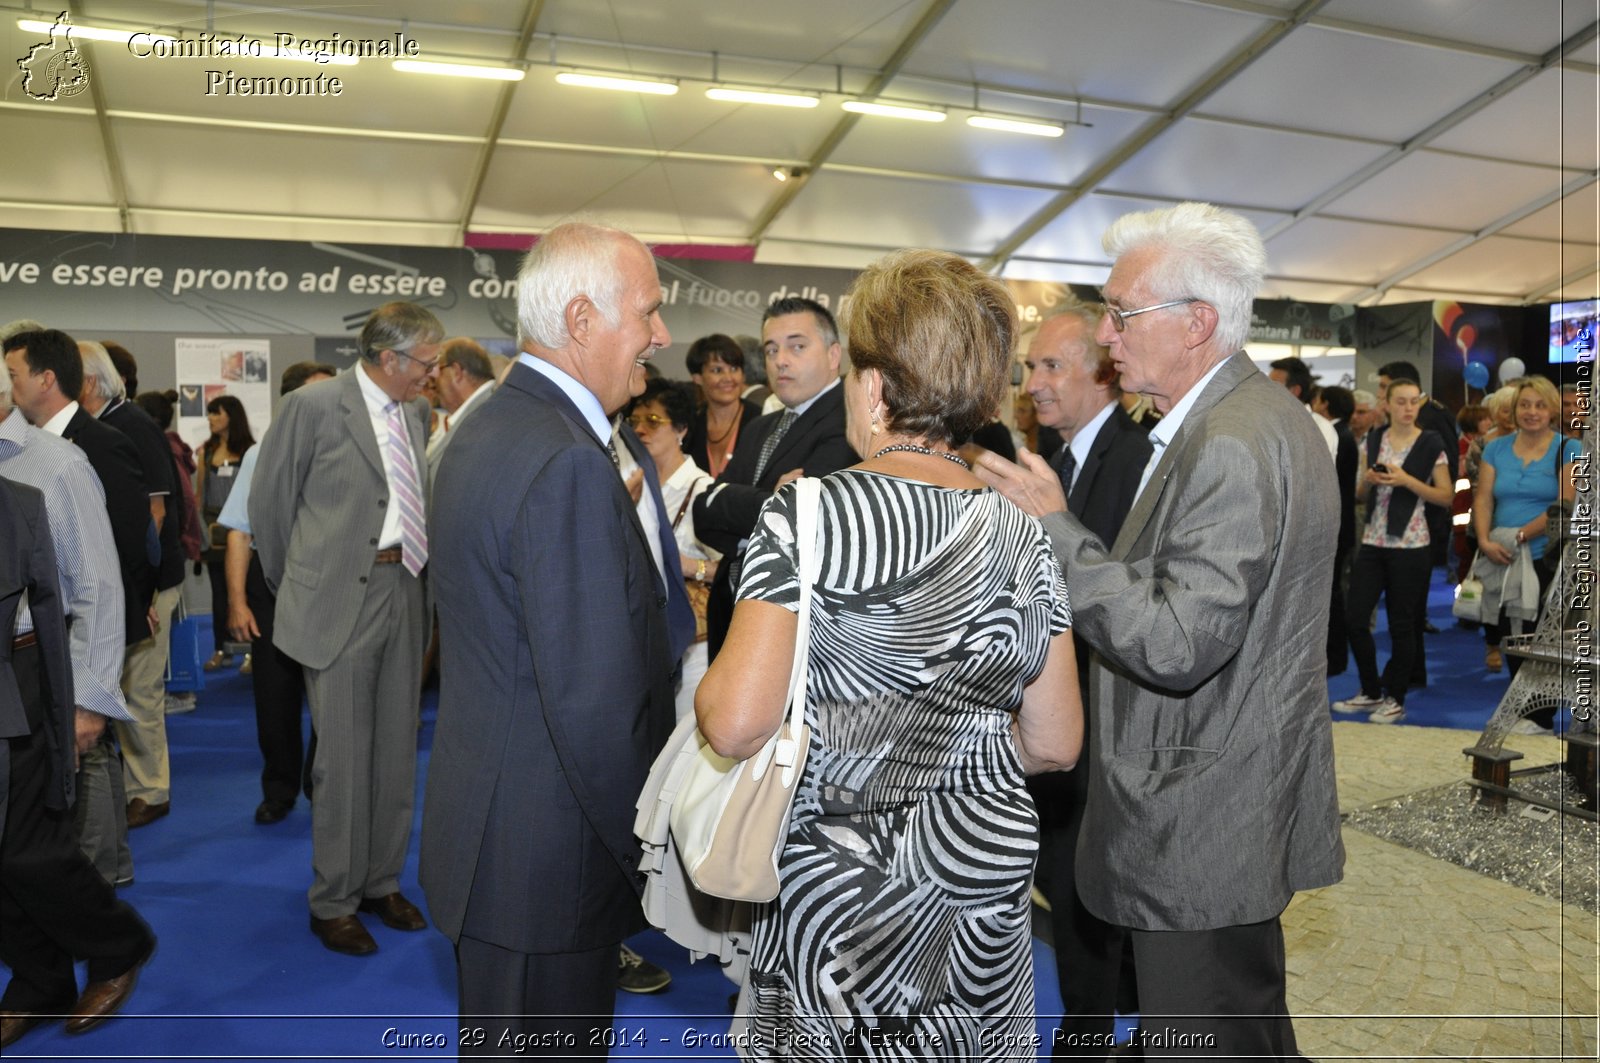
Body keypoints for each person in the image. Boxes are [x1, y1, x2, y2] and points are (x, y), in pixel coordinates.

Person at [976, 202, 1344, 1058]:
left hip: (1200, 812)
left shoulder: (1229, 440)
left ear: (1197, 322)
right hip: (1224, 793)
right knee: (1240, 1028)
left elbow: (1177, 642)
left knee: (1210, 1036)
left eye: (1122, 312)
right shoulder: (1244, 421)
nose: (1107, 334)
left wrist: (1057, 530)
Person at [699, 248, 1081, 1051]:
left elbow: (735, 725)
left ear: (871, 387)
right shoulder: (1026, 533)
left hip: (840, 887)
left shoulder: (806, 515)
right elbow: (1054, 742)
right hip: (979, 884)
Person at [420, 221, 678, 1054]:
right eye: (648, 312)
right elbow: (595, 704)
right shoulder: (565, 458)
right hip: (549, 860)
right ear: (581, 320)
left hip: (494, 834)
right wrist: (650, 847)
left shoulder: (487, 423)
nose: (661, 336)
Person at [249, 303, 440, 956]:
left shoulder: (415, 411)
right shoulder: (314, 406)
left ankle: (381, 880)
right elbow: (270, 508)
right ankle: (332, 899)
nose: (433, 373)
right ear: (389, 358)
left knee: (395, 747)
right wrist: (298, 585)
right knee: (340, 760)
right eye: (426, 361)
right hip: (336, 598)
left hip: (405, 589)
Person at [0, 376, 155, 1049]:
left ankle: (117, 942)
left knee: (30, 846)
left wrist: (90, 698)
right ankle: (40, 976)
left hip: (30, 671)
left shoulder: (55, 464)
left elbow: (97, 584)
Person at [1021, 302, 1151, 1057]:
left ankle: (1088, 1030)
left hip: (1102, 713)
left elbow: (1114, 590)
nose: (1033, 382)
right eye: (1030, 368)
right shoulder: (1059, 456)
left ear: (1100, 374)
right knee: (1066, 880)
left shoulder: (1132, 460)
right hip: (1054, 705)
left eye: (1049, 366)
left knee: (1082, 886)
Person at [3, 329, 151, 883]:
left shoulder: (70, 458)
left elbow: (106, 571)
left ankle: (101, 895)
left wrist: (89, 694)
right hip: (30, 659)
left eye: (14, 374)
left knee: (61, 803)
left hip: (49, 655)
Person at [693, 298, 859, 658]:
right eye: (771, 349)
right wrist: (772, 499)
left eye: (797, 346)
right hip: (732, 616)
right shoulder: (759, 427)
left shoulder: (848, 426)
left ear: (834, 356)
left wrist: (732, 503)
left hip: (793, 633)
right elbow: (703, 509)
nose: (780, 360)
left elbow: (804, 519)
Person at [219, 362, 336, 824]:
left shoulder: (346, 451)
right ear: (292, 403)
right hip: (272, 590)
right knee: (275, 698)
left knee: (333, 697)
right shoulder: (260, 453)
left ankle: (320, 782)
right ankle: (280, 788)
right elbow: (238, 533)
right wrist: (237, 601)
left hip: (329, 592)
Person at [1331, 379, 1454, 723]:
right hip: (1373, 538)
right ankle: (1370, 690)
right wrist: (1369, 480)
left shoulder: (1431, 442)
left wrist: (1407, 481)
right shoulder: (1376, 438)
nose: (1408, 408)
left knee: (1403, 624)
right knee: (1356, 618)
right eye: (1401, 401)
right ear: (1387, 404)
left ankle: (1395, 696)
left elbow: (1445, 496)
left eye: (1414, 401)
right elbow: (1359, 492)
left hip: (1411, 543)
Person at [1472, 375, 1582, 731]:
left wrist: (1519, 536)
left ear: (1552, 410)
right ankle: (1519, 706)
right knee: (1507, 630)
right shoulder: (1495, 448)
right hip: (1499, 554)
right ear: (1514, 410)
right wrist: (1486, 540)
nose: (1532, 412)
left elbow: (1563, 504)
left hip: (1544, 555)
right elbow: (1484, 498)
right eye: (1525, 405)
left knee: (1538, 635)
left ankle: (1540, 715)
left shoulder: (1569, 450)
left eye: (1539, 405)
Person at [627, 378, 720, 720]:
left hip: (692, 642)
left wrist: (686, 566)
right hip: (647, 638)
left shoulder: (702, 491)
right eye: (635, 421)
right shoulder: (635, 485)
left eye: (653, 421)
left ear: (681, 429)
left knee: (683, 742)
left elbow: (730, 571)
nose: (641, 430)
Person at [198, 395, 255, 673]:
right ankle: (220, 648)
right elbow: (199, 496)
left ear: (231, 416)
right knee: (219, 594)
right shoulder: (206, 452)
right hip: (212, 532)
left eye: (215, 413)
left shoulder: (250, 452)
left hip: (243, 531)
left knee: (247, 592)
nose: (210, 419)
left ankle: (251, 652)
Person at [682, 334, 759, 480]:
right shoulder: (690, 426)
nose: (728, 378)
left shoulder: (760, 421)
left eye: (734, 369)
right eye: (717, 370)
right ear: (697, 378)